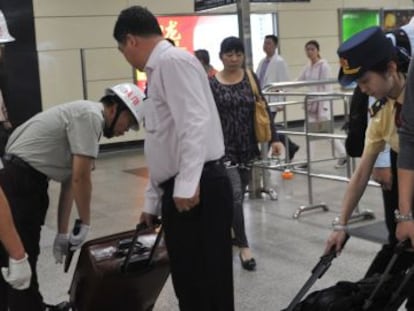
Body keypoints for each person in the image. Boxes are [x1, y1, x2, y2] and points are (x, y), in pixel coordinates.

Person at [113, 6, 235, 310]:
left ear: (130, 40)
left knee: (208, 284)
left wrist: (187, 184)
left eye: (121, 49)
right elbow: (161, 142)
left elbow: (194, 123)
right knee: (189, 282)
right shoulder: (158, 71)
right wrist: (152, 202)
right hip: (183, 187)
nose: (125, 56)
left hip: (198, 188)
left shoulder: (172, 62)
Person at [0, 82, 145, 311]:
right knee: (21, 257)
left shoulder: (84, 115)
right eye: (129, 123)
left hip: (27, 182)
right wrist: (86, 223)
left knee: (22, 255)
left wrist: (62, 232)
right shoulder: (90, 116)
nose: (125, 131)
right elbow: (81, 178)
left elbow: (69, 181)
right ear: (116, 109)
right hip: (19, 183)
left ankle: (29, 305)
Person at [324, 26, 414, 310]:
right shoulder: (383, 111)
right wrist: (341, 224)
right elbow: (361, 171)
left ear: (390, 68)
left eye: (365, 81)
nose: (363, 90)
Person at [209, 36, 283, 271]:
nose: (233, 59)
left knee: (236, 195)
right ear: (221, 56)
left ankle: (230, 231)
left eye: (238, 54)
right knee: (236, 195)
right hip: (223, 148)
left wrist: (274, 138)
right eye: (229, 54)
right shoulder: (212, 84)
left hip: (247, 146)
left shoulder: (250, 77)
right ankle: (244, 246)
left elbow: (263, 107)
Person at [297, 40, 347, 169]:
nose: (309, 52)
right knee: (308, 132)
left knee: (327, 132)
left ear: (318, 50)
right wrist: (283, 89)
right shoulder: (308, 66)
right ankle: (307, 160)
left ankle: (343, 154)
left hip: (322, 105)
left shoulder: (324, 66)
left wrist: (324, 108)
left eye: (312, 49)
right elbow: (299, 80)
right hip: (311, 104)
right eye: (307, 49)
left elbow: (327, 87)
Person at [256, 34, 299, 161]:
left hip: (272, 102)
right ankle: (290, 146)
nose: (266, 45)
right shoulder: (262, 62)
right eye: (265, 43)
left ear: (275, 46)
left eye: (269, 43)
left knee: (268, 128)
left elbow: (284, 83)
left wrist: (281, 103)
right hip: (262, 101)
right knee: (269, 128)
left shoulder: (279, 62)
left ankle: (263, 156)